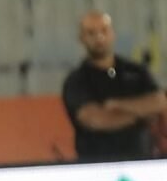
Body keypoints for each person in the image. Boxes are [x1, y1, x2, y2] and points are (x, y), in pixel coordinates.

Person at [62, 11, 166, 162]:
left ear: (112, 33)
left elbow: (159, 102)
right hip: (97, 168)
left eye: (104, 30)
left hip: (141, 165)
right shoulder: (76, 80)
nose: (99, 37)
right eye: (91, 33)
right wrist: (140, 115)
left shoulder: (136, 71)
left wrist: (117, 105)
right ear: (81, 38)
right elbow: (95, 120)